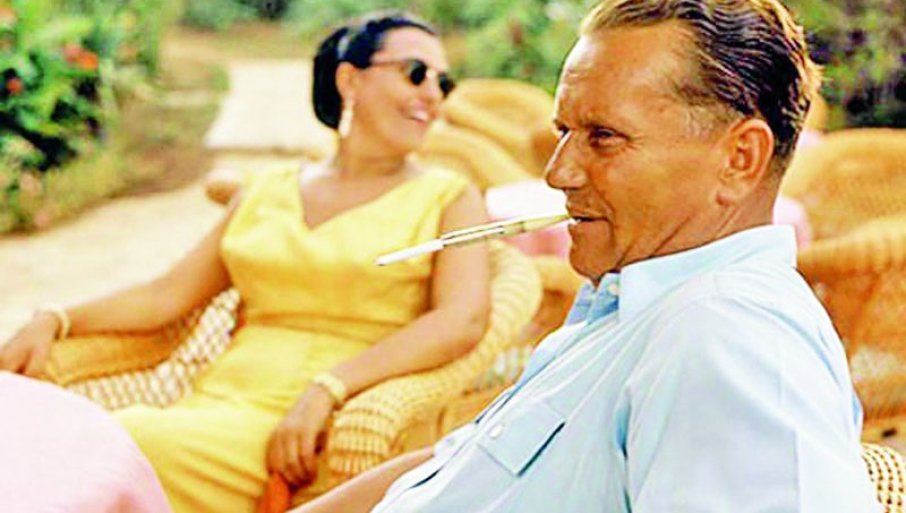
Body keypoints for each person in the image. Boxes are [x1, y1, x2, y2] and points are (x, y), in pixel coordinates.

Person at [289, 0, 883, 511]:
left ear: (739, 159)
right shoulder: (633, 305)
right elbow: (461, 464)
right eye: (564, 132)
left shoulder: (732, 341)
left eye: (603, 137)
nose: (559, 172)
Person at [0, 12, 490, 513]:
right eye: (416, 73)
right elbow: (164, 296)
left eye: (443, 82)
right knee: (85, 446)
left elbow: (462, 320)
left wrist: (331, 386)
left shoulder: (447, 196)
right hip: (215, 405)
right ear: (349, 79)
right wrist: (58, 318)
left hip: (320, 423)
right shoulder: (267, 189)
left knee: (120, 447)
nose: (433, 94)